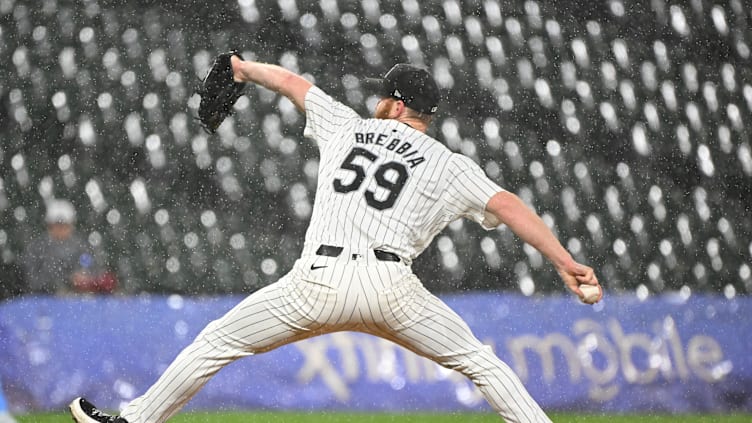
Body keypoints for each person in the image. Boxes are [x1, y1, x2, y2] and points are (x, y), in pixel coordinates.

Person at [69, 56, 601, 423]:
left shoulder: (345, 126)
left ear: (393, 105)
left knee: (217, 342)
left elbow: (293, 84)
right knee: (481, 363)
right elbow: (506, 205)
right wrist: (563, 260)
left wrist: (242, 69)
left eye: (381, 97)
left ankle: (134, 419)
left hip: (316, 282)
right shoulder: (446, 163)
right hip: (392, 286)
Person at [21, 199, 117, 295]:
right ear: (49, 226)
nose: (60, 230)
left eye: (64, 225)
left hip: (79, 301)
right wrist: (66, 281)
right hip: (46, 301)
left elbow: (94, 270)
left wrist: (85, 280)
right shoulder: (38, 248)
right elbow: (32, 280)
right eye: (57, 225)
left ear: (71, 225)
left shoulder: (81, 246)